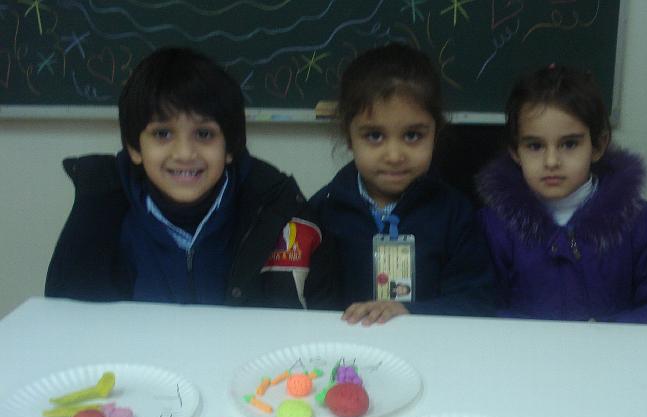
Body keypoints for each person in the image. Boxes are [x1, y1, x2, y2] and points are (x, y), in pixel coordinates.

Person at [46, 47, 334, 309]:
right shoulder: (101, 210)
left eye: (204, 134)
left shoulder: (277, 210)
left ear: (230, 148)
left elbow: (319, 317)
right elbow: (67, 318)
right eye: (162, 134)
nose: (184, 153)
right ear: (134, 147)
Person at [477, 64, 647, 324]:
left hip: (615, 349)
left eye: (569, 144)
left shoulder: (639, 221)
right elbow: (479, 309)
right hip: (525, 350)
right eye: (535, 146)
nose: (551, 161)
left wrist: (607, 334)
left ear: (597, 146)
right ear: (515, 152)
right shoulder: (493, 226)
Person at [309, 43, 493, 325]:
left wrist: (411, 312)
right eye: (374, 136)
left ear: (435, 133)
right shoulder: (323, 211)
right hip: (347, 346)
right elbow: (311, 305)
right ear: (349, 137)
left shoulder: (455, 213)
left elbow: (477, 301)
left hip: (431, 345)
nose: (394, 156)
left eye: (412, 136)